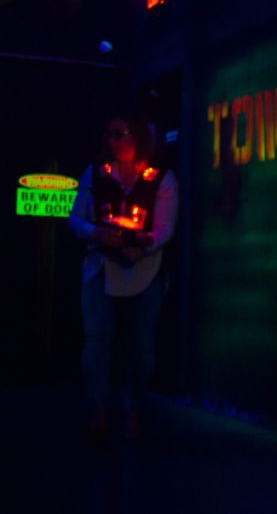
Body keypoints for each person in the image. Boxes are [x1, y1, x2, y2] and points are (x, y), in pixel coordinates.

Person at [68, 115, 179, 440]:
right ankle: (98, 410)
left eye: (119, 134)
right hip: (100, 268)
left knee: (141, 346)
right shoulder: (97, 174)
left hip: (145, 272)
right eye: (109, 134)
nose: (112, 140)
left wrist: (143, 245)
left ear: (138, 138)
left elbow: (164, 228)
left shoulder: (161, 179)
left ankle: (133, 411)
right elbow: (75, 218)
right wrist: (97, 233)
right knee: (96, 342)